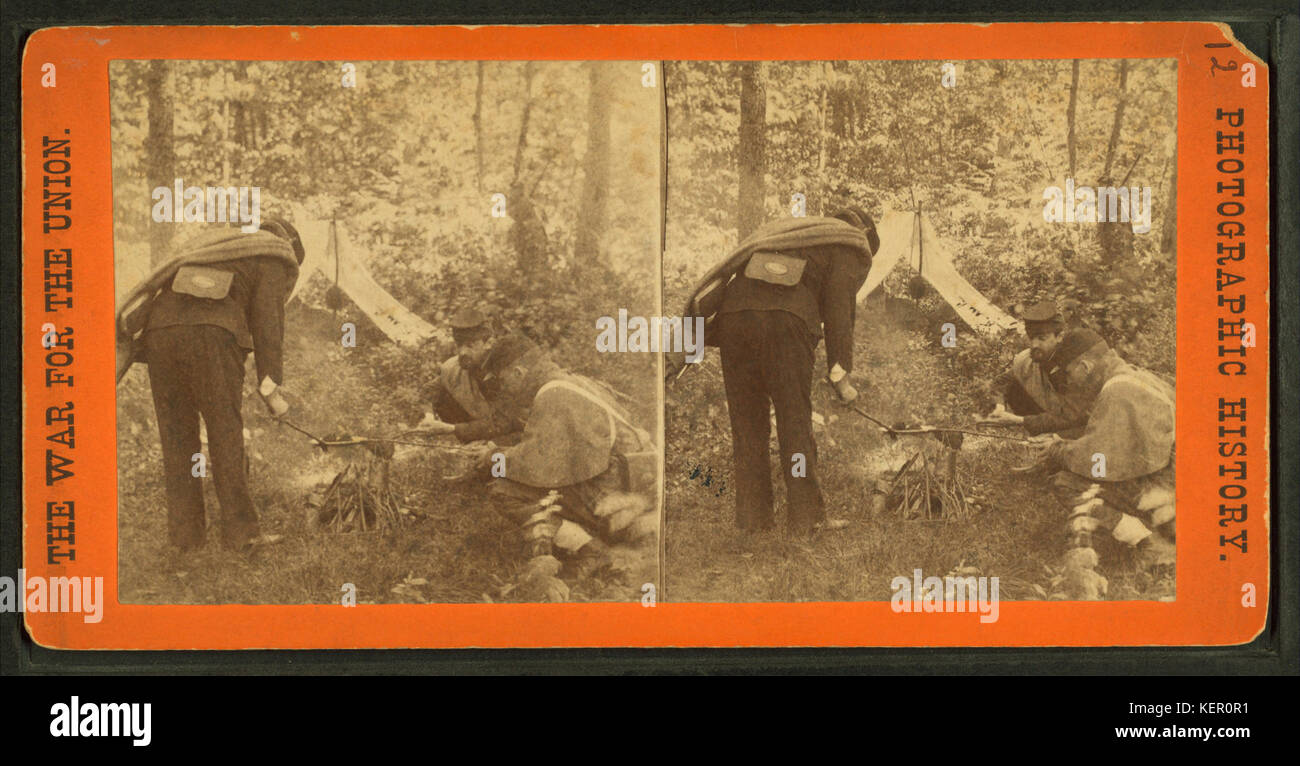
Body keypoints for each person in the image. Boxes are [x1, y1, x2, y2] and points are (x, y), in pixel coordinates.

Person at [137, 217, 305, 553]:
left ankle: (186, 539)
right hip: (211, 336)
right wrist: (271, 387)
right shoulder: (273, 253)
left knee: (177, 436)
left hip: (159, 334)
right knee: (225, 432)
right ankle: (243, 536)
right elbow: (268, 323)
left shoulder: (214, 244)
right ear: (290, 245)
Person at [714, 207, 877, 533]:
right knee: (794, 424)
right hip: (784, 326)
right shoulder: (848, 243)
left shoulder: (789, 233)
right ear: (866, 234)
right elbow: (838, 311)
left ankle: (753, 521)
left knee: (747, 425)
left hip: (733, 319)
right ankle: (807, 519)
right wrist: (840, 375)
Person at [466, 341, 658, 602]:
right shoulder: (567, 382)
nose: (505, 388)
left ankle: (589, 549)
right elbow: (549, 449)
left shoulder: (553, 396)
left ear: (519, 373)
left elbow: (539, 464)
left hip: (621, 497)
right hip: (636, 483)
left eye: (504, 380)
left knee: (504, 490)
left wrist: (494, 458)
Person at [1026, 330, 1177, 571]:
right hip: (1178, 478)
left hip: (1169, 493)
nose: (1070, 381)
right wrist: (1064, 444)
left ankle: (1149, 543)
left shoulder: (1116, 393)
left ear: (1084, 367)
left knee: (1066, 483)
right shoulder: (1134, 376)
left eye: (1069, 373)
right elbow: (1108, 440)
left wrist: (1056, 450)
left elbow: (1098, 461)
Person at [418, 308, 534, 445]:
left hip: (515, 437)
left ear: (488, 344)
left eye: (470, 345)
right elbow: (429, 391)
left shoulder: (506, 370)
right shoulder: (455, 368)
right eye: (459, 345)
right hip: (479, 432)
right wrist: (429, 418)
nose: (462, 352)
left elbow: (510, 423)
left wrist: (452, 429)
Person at [984, 300, 1089, 437]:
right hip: (1049, 418)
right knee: (1015, 385)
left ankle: (1056, 437)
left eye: (1041, 338)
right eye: (1031, 338)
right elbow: (1001, 382)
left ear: (1059, 337)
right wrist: (999, 407)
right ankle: (1041, 434)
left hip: (1080, 426)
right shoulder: (1031, 358)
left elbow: (1076, 416)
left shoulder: (1075, 363)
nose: (1034, 344)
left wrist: (1020, 421)